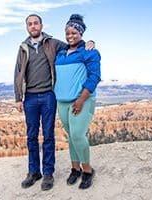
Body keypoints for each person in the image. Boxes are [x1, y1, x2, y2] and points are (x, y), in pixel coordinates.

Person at [14, 13, 94, 191]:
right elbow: (18, 73)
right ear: (27, 27)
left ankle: (48, 173)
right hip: (30, 98)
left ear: (41, 25)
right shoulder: (23, 47)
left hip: (49, 95)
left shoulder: (53, 43)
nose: (33, 26)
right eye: (30, 24)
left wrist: (91, 42)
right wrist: (18, 97)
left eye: (36, 23)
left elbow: (74, 45)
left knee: (48, 136)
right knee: (31, 137)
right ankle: (34, 171)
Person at [54, 14, 101, 190]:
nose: (70, 36)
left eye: (74, 32)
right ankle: (75, 169)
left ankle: (87, 170)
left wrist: (81, 99)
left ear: (80, 33)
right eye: (67, 32)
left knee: (77, 135)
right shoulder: (60, 54)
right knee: (71, 136)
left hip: (81, 100)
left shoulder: (89, 52)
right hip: (62, 102)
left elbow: (94, 77)